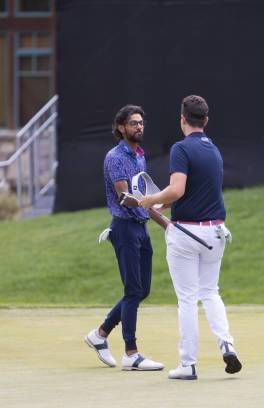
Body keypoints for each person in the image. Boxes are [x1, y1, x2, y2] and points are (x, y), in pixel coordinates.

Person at [140, 95, 242, 380]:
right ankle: (227, 344)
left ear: (182, 119)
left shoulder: (180, 149)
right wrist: (160, 205)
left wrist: (150, 200)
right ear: (206, 121)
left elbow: (177, 190)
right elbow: (192, 193)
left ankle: (188, 364)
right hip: (216, 232)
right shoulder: (214, 150)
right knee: (210, 292)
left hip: (187, 234)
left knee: (187, 299)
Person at [84, 105, 164, 371]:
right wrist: (154, 204)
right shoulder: (115, 157)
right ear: (121, 128)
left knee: (142, 290)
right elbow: (125, 197)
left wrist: (163, 216)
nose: (139, 127)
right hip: (124, 229)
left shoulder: (140, 156)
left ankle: (101, 334)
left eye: (141, 122)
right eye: (133, 123)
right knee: (133, 291)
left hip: (140, 228)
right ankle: (131, 353)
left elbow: (143, 197)